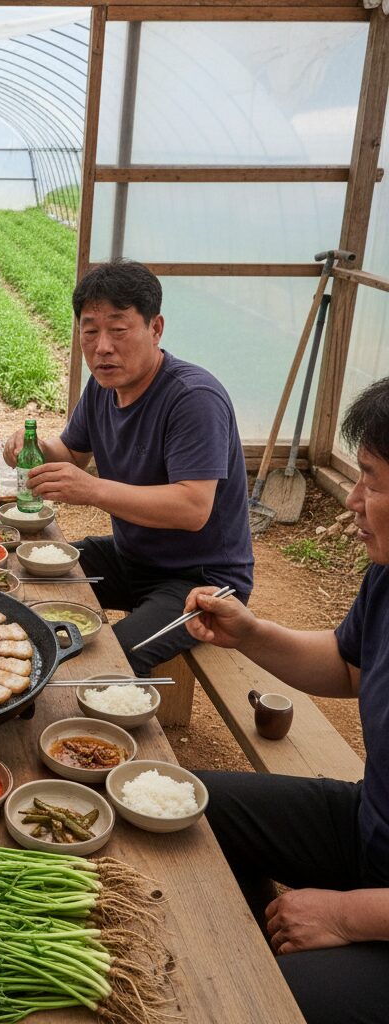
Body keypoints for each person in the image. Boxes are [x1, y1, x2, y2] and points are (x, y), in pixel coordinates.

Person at [184, 379, 389, 1024]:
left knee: (255, 1004)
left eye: (373, 480)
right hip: (372, 828)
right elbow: (349, 666)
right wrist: (248, 633)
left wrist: (346, 915)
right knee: (188, 806)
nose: (352, 500)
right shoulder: (387, 573)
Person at [3, 259, 253, 675]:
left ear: (156, 328)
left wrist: (92, 490)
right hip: (130, 557)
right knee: (23, 578)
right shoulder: (103, 387)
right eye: (90, 331)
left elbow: (193, 508)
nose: (102, 347)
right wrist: (34, 448)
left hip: (200, 581)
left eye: (118, 330)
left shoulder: (193, 398)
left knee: (110, 659)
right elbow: (71, 453)